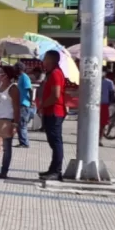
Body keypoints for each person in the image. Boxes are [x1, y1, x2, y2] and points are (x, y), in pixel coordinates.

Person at [39, 50, 67, 181]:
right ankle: (53, 169)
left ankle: (56, 171)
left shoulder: (56, 73)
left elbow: (55, 95)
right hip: (50, 112)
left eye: (45, 58)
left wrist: (43, 105)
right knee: (53, 141)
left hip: (55, 112)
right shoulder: (50, 73)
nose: (43, 61)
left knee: (56, 142)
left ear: (51, 60)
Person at [15, 63, 33, 148]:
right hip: (20, 103)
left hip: (24, 104)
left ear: (19, 69)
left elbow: (30, 89)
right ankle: (22, 142)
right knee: (19, 124)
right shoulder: (20, 77)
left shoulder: (25, 77)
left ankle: (25, 143)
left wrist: (31, 100)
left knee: (22, 124)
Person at [99, 68, 115, 147]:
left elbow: (112, 93)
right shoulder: (94, 81)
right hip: (94, 105)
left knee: (102, 124)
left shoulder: (109, 82)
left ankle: (99, 139)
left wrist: (109, 103)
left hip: (104, 105)